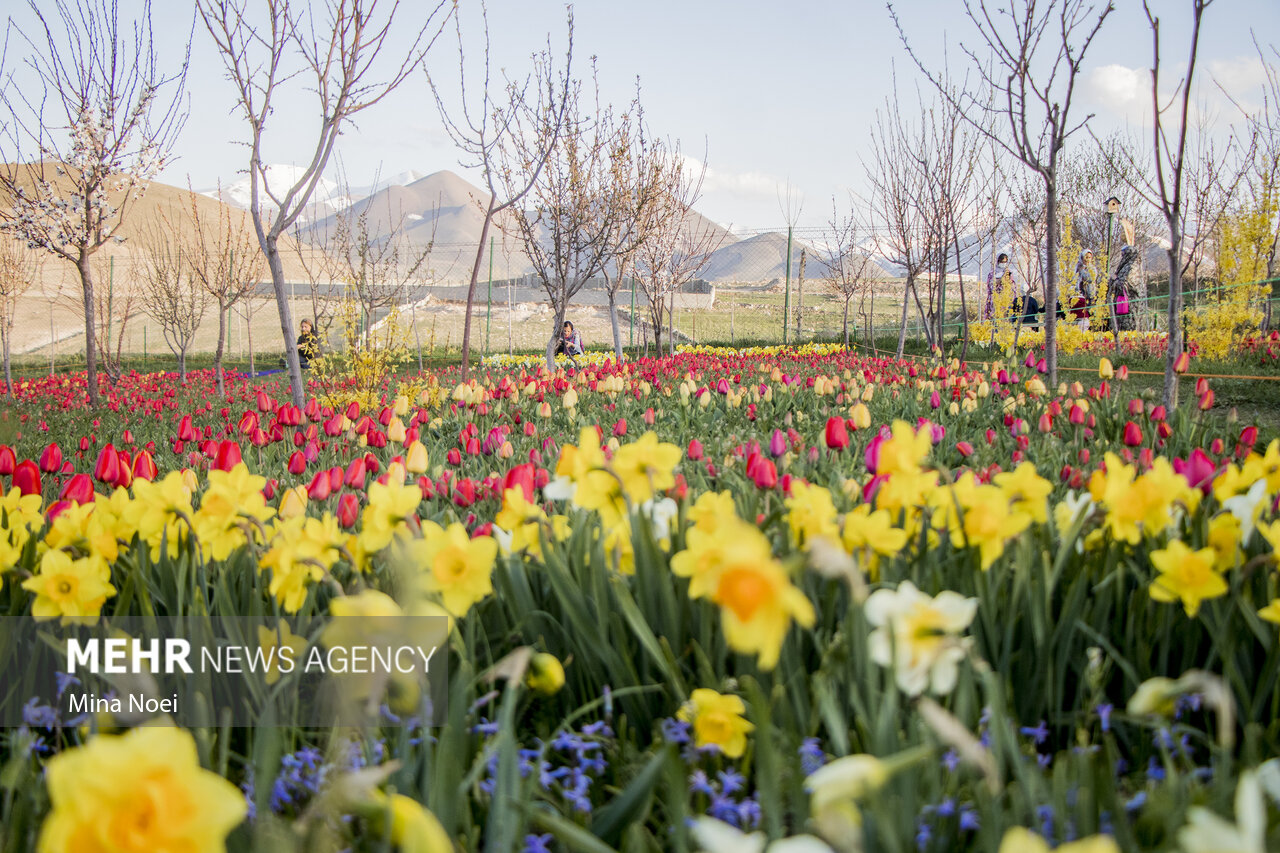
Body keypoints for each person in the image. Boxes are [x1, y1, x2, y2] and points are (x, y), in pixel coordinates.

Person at [984, 254, 1018, 320]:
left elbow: (1012, 285)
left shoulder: (1009, 272)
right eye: (1002, 262)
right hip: (995, 298)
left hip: (1006, 298)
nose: (1003, 264)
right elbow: (990, 284)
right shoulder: (993, 272)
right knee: (995, 316)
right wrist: (1000, 280)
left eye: (1005, 262)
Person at [1072, 251, 1096, 330]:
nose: (1088, 260)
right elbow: (1073, 280)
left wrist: (1082, 271)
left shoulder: (1092, 268)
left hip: (1090, 295)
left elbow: (1090, 279)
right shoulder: (1077, 267)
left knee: (1089, 315)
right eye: (1086, 257)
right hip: (1079, 296)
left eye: (1089, 257)